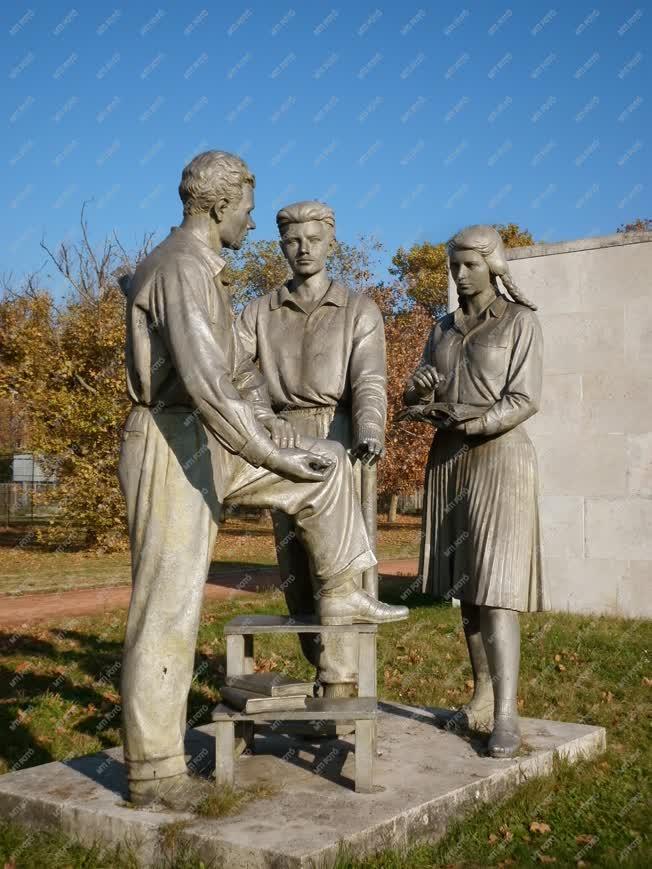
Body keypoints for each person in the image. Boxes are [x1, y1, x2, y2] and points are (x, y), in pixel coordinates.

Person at [119, 151, 407, 807]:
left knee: (325, 468)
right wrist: (277, 452)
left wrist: (295, 442)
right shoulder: (183, 268)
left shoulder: (202, 273)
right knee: (168, 608)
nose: (254, 221)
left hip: (205, 434)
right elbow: (215, 391)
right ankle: (154, 771)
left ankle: (343, 596)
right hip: (173, 440)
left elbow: (237, 388)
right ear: (220, 204)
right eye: (251, 208)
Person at [404, 224, 549, 758]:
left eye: (468, 265)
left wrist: (478, 424)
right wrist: (419, 388)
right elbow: (426, 383)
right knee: (466, 585)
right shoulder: (442, 329)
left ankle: (507, 714)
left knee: (497, 587)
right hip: (448, 458)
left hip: (500, 456)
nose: (459, 276)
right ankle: (482, 695)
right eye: (454, 266)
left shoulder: (520, 322)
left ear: (493, 265)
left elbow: (526, 396)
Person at [236, 200, 387, 700]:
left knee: (341, 574)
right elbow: (233, 371)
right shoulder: (259, 311)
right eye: (293, 240)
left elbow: (369, 380)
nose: (303, 249)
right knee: (297, 573)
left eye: (314, 240)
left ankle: (340, 683)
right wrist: (264, 422)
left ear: (331, 243)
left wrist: (369, 429)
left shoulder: (358, 309)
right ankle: (322, 666)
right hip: (282, 437)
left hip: (340, 436)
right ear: (281, 245)